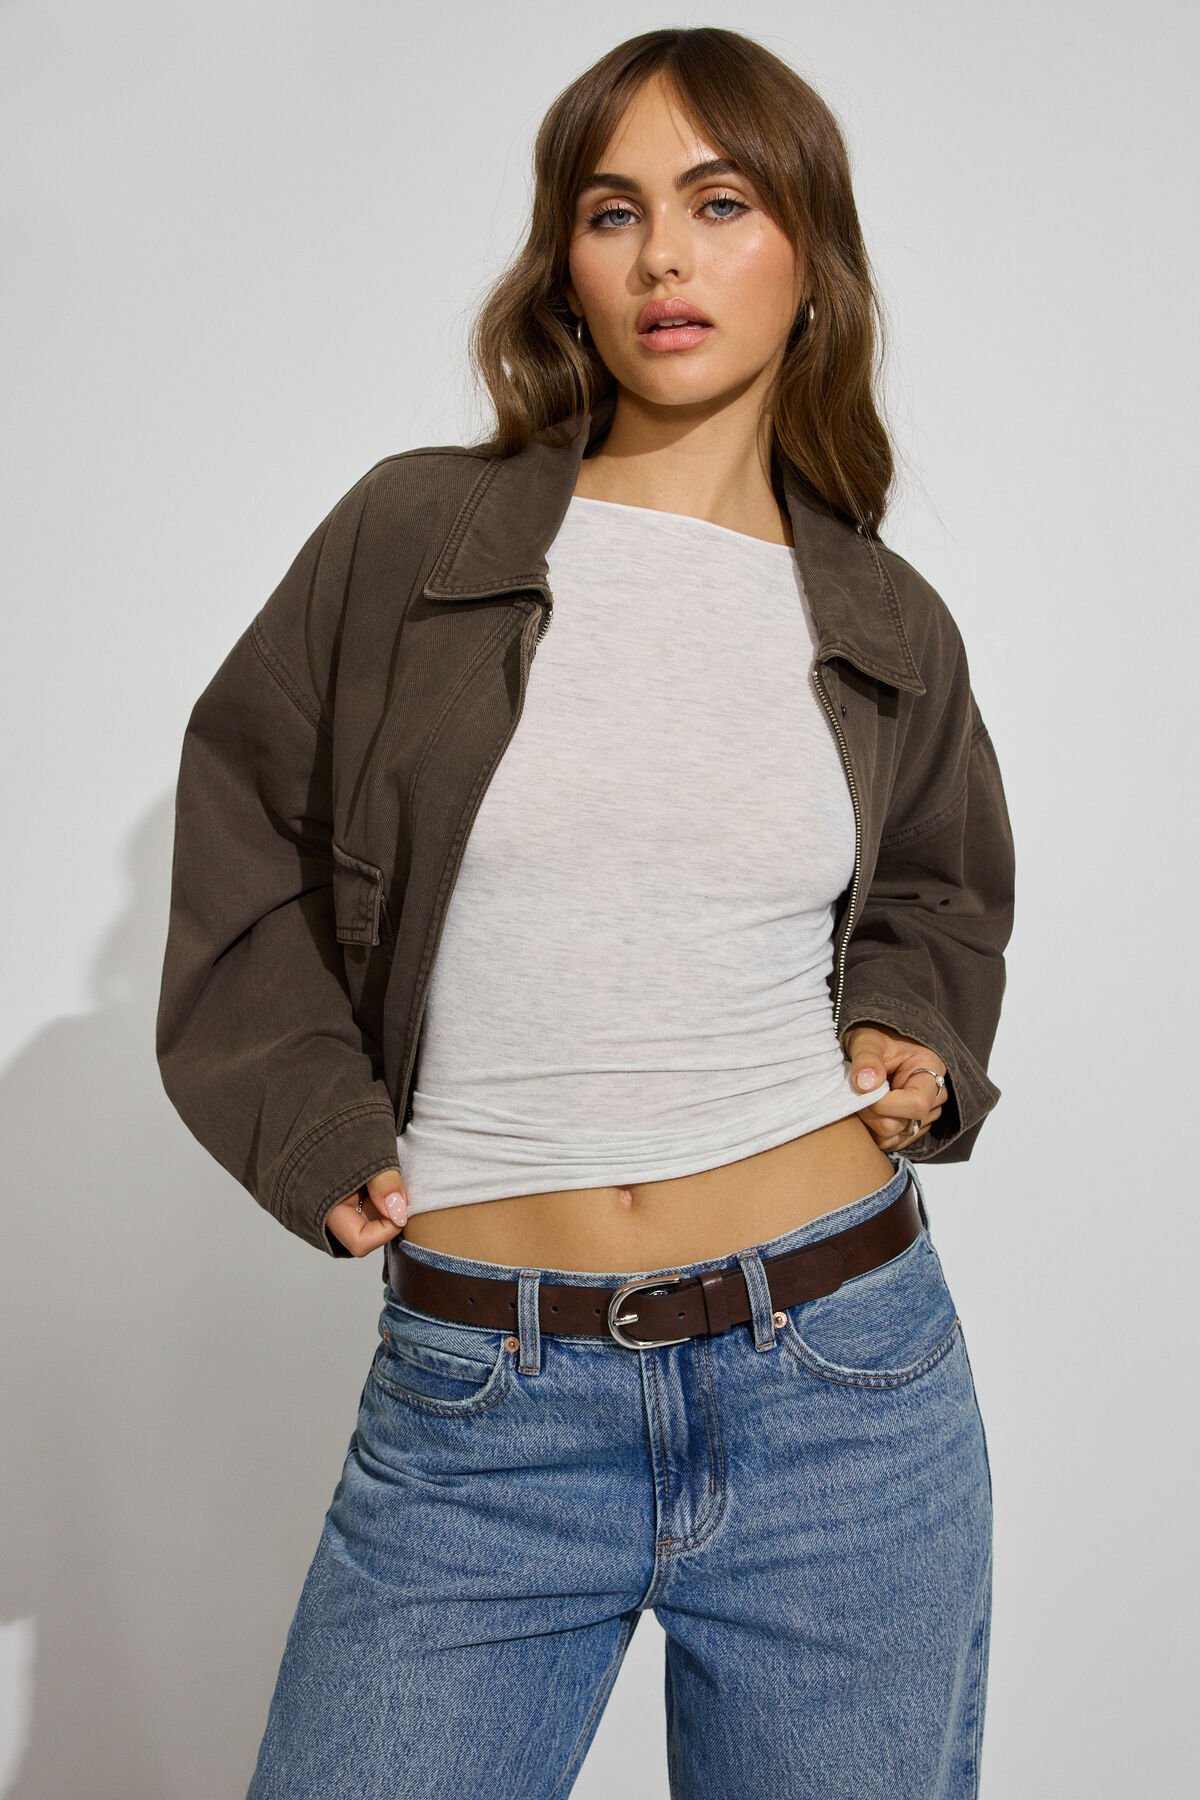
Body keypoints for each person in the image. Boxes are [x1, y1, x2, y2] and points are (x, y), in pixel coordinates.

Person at [156, 26, 1015, 1800]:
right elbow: (250, 834)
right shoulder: (414, 537)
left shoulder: (885, 616)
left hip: (845, 1384)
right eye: (614, 212)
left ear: (811, 254)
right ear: (566, 260)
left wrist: (910, 1030)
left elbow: (939, 884)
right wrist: (311, 1120)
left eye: (721, 203)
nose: (665, 257)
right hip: (482, 1402)